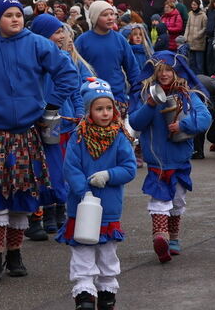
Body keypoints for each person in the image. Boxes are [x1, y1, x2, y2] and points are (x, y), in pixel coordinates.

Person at [0, 0, 75, 285]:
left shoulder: (37, 43)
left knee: (23, 198)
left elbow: (67, 74)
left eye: (18, 14)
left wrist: (52, 105)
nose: (15, 19)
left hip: (27, 133)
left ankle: (15, 254)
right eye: (8, 15)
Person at [59, 78, 136, 310]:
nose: (105, 113)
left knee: (107, 255)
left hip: (109, 209)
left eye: (109, 108)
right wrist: (84, 191)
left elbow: (129, 168)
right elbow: (70, 167)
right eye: (99, 108)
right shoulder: (79, 137)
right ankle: (84, 297)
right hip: (81, 207)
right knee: (82, 252)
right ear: (89, 111)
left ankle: (106, 296)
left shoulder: (119, 137)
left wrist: (109, 175)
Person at [128, 52, 210, 263]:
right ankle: (160, 237)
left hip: (180, 160)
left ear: (176, 71)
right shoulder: (146, 94)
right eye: (159, 70)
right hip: (157, 163)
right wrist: (151, 104)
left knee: (177, 200)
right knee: (159, 201)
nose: (164, 74)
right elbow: (136, 123)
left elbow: (204, 118)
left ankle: (173, 238)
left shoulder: (187, 95)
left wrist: (183, 125)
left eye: (168, 70)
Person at [75, 2, 142, 116]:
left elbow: (133, 69)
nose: (110, 18)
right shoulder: (82, 41)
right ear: (95, 18)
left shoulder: (120, 39)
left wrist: (137, 94)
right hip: (91, 99)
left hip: (117, 98)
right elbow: (75, 71)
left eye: (112, 14)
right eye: (105, 15)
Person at [183, 0, 207, 76]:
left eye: (195, 5)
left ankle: (200, 78)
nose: (193, 6)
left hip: (199, 43)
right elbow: (188, 26)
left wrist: (198, 34)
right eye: (192, 4)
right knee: (191, 63)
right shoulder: (190, 14)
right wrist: (185, 36)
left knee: (199, 64)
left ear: (198, 5)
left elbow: (204, 28)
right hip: (190, 42)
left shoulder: (203, 15)